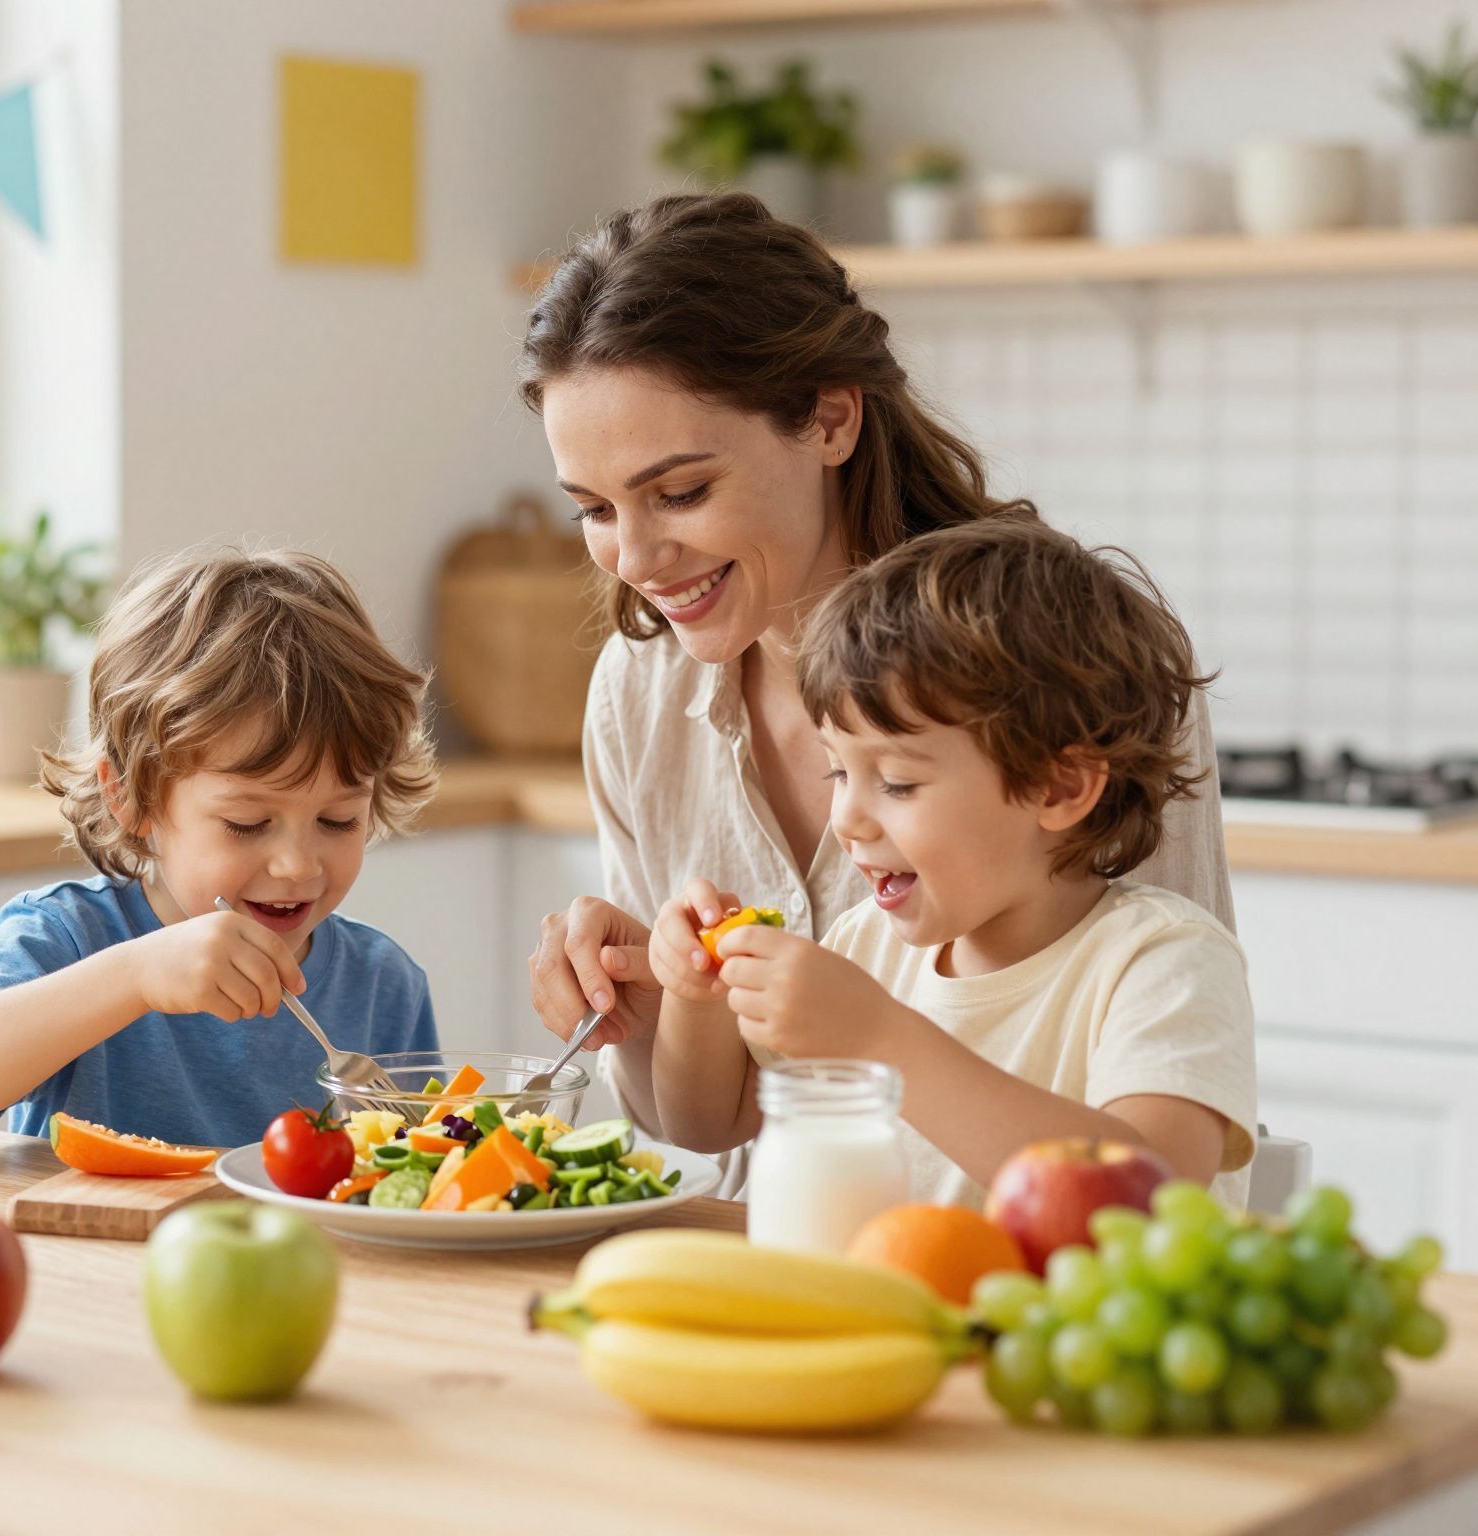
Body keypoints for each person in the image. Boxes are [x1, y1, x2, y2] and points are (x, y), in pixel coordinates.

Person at [520, 192, 1234, 1197]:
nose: (633, 558)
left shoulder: (1056, 672)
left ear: (829, 417)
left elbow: (1159, 1141)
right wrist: (652, 997)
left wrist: (878, 1035)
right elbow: (703, 1123)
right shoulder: (637, 693)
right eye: (594, 509)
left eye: (679, 492)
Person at [647, 518, 1255, 1205]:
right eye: (838, 773)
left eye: (899, 783)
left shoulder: (1160, 962)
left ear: (1058, 787)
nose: (847, 819)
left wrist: (881, 1037)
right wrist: (694, 998)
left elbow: (1145, 1199)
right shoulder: (864, 948)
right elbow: (704, 1123)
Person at [0, 547, 440, 1146]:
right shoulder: (71, 938)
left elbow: (421, 1170)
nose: (297, 865)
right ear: (131, 797)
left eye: (337, 821)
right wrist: (136, 976)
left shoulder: (383, 984)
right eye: (248, 823)